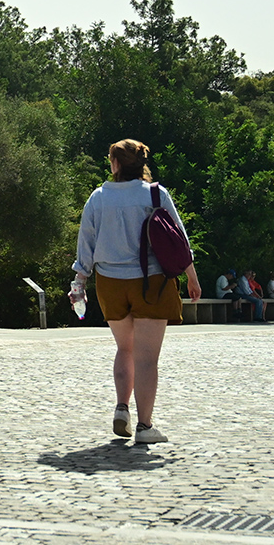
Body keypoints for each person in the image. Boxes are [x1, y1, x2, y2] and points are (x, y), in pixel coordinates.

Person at [72, 138, 200, 445]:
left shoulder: (98, 198)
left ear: (115, 164)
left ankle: (121, 409)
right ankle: (144, 426)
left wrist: (79, 284)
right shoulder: (156, 194)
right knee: (146, 358)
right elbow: (179, 239)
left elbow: (85, 244)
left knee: (124, 349)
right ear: (141, 164)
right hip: (151, 282)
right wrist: (191, 277)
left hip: (110, 284)